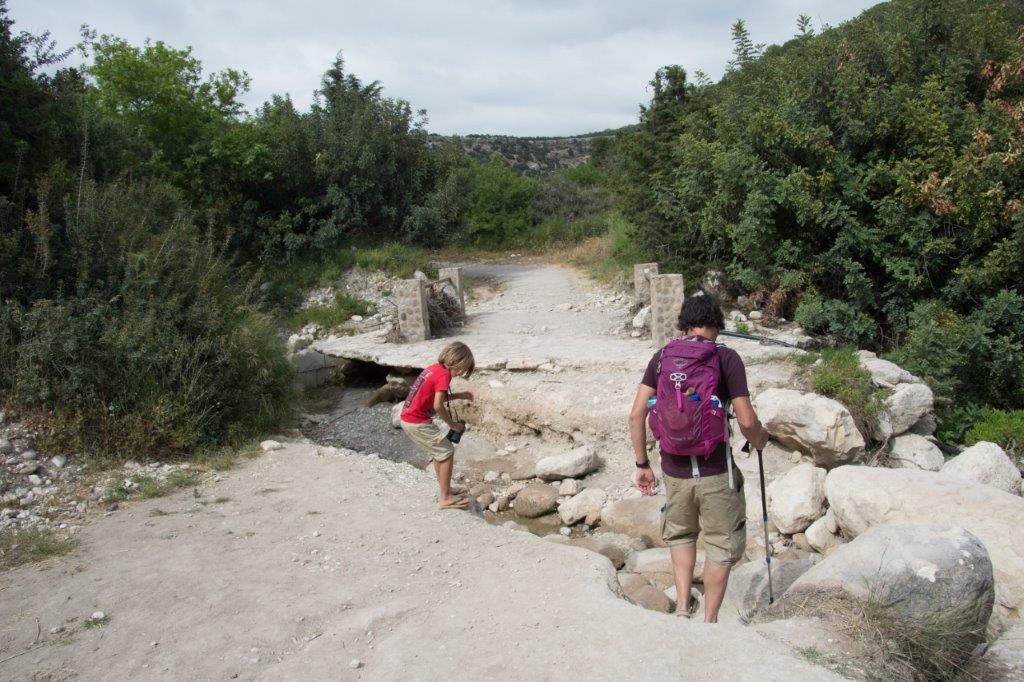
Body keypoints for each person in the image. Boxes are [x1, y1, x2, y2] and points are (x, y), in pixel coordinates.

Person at [628, 295, 770, 622]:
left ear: (684, 323)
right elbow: (747, 422)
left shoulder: (662, 357)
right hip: (716, 470)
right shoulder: (726, 358)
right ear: (716, 324)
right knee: (720, 545)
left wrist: (642, 465)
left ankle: (681, 609)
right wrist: (761, 440)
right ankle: (708, 622)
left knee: (680, 535)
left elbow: (636, 415)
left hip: (674, 470)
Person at [400, 342, 476, 510]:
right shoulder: (444, 375)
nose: (461, 373)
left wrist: (458, 395)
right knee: (447, 452)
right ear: (459, 362)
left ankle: (445, 488)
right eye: (463, 369)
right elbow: (437, 406)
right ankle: (445, 497)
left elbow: (434, 398)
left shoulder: (434, 368)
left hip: (408, 418)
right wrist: (452, 424)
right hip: (416, 421)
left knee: (438, 452)